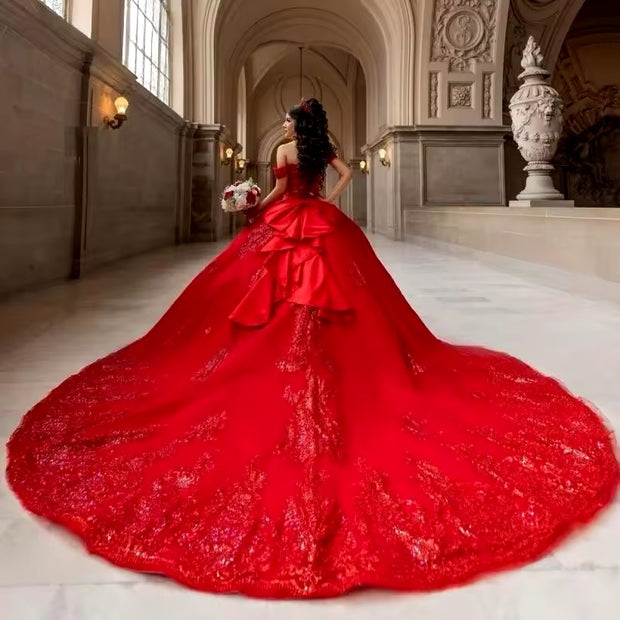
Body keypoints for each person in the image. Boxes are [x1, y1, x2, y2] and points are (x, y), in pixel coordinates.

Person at [6, 98, 618, 599]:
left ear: (293, 126)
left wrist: (251, 207)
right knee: (351, 307)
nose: (288, 129)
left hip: (283, 228)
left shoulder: (279, 152)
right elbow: (346, 176)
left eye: (290, 121)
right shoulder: (322, 153)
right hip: (322, 226)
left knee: (248, 306)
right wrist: (324, 202)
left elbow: (273, 199)